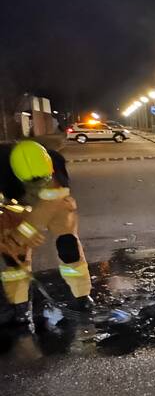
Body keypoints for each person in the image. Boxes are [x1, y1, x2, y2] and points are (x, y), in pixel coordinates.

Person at [0, 141, 93, 331]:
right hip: (13, 207)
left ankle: (81, 295)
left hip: (54, 205)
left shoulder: (54, 162)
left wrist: (26, 230)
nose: (37, 189)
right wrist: (8, 239)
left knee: (68, 246)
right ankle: (20, 306)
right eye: (32, 185)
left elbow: (51, 204)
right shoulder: (2, 169)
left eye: (42, 181)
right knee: (14, 258)